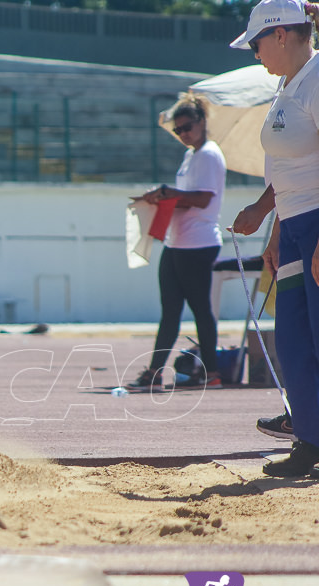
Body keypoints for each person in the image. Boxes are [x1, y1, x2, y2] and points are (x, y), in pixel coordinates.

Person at [230, 0, 319, 477]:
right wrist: (269, 218)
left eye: (257, 44)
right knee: (293, 338)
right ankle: (309, 442)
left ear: (281, 35)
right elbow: (291, 166)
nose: (255, 54)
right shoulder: (288, 85)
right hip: (295, 223)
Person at [129, 95, 226, 390]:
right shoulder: (191, 155)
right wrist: (161, 197)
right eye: (178, 130)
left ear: (201, 123)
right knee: (169, 311)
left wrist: (168, 193)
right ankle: (155, 372)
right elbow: (185, 199)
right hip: (177, 243)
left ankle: (212, 373)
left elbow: (203, 198)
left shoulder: (209, 154)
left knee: (199, 309)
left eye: (187, 127)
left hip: (198, 243)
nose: (183, 134)